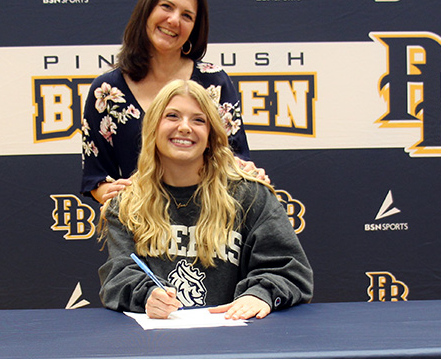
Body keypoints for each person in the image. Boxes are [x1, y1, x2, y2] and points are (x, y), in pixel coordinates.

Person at [98, 80, 313, 320]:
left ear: (211, 134)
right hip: (156, 345)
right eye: (172, 116)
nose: (185, 127)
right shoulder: (127, 203)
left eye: (198, 120)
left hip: (237, 342)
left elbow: (290, 270)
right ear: (152, 127)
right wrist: (147, 296)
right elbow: (118, 276)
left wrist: (260, 294)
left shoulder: (250, 196)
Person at [81, 0, 260, 204]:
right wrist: (114, 195)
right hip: (140, 228)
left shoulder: (215, 82)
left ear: (195, 29)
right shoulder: (106, 91)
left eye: (187, 16)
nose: (174, 20)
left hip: (210, 226)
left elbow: (235, 159)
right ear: (147, 11)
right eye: (166, 7)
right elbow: (96, 178)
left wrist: (250, 174)